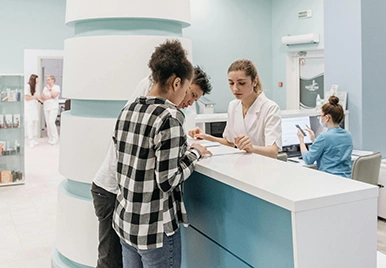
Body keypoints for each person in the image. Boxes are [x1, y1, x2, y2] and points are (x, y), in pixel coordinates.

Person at [91, 65, 212, 268]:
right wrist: (194, 154)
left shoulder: (132, 110)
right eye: (190, 94)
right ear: (179, 83)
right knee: (109, 263)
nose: (189, 103)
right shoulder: (166, 114)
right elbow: (167, 178)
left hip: (126, 212)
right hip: (115, 194)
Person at [189, 59, 282, 158]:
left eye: (241, 83)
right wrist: (206, 137)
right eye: (231, 83)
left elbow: (273, 152)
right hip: (240, 166)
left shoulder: (270, 108)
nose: (235, 89)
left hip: (264, 167)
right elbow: (229, 142)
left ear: (254, 81)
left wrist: (252, 148)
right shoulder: (233, 106)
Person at [297, 96, 353, 177]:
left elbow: (308, 159)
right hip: (346, 180)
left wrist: (301, 140)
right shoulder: (348, 135)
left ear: (327, 117)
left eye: (320, 116)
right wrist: (314, 140)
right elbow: (330, 150)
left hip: (329, 180)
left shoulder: (324, 137)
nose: (320, 118)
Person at [41, 75, 60, 145]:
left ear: (53, 80)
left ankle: (55, 138)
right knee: (48, 123)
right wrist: (50, 97)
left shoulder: (56, 87)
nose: (47, 81)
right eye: (47, 80)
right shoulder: (45, 88)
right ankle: (50, 137)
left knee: (51, 122)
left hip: (53, 107)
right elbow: (42, 97)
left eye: (48, 79)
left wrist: (50, 90)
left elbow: (54, 95)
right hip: (46, 107)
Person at [24, 74, 40, 148]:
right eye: (37, 79)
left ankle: (33, 139)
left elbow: (35, 97)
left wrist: (39, 100)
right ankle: (30, 140)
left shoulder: (36, 87)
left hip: (34, 107)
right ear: (34, 79)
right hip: (29, 108)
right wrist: (35, 97)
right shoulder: (27, 86)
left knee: (34, 124)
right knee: (30, 124)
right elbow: (26, 97)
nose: (38, 80)